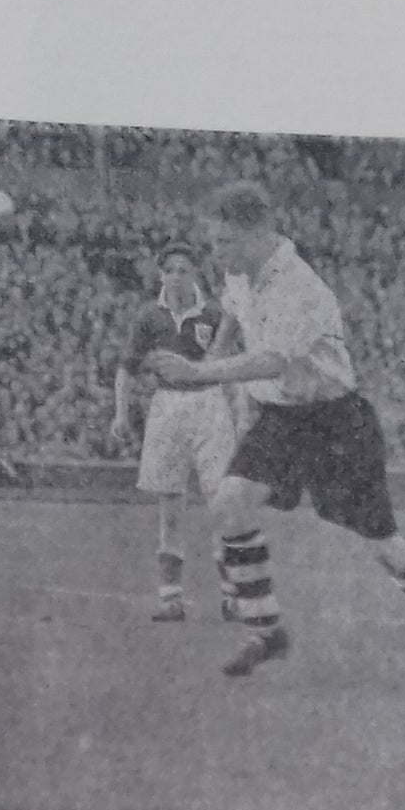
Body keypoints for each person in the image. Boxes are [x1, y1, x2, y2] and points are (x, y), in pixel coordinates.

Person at [153, 180, 405, 684]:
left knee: (382, 543)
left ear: (256, 233)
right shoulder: (241, 274)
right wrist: (213, 356)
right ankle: (266, 632)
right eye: (214, 243)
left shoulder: (299, 286)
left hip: (335, 421)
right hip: (281, 419)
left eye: (224, 242)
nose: (216, 254)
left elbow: (272, 360)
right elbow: (234, 317)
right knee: (229, 506)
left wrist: (199, 374)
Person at [111, 242, 235, 621]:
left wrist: (242, 411)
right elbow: (125, 368)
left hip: (209, 405)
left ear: (195, 273)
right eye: (171, 270)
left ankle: (232, 596)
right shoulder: (150, 317)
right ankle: (171, 598)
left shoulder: (214, 313)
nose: (177, 276)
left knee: (222, 503)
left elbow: (236, 363)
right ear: (161, 274)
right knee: (170, 506)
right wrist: (120, 414)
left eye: (184, 269)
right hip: (168, 407)